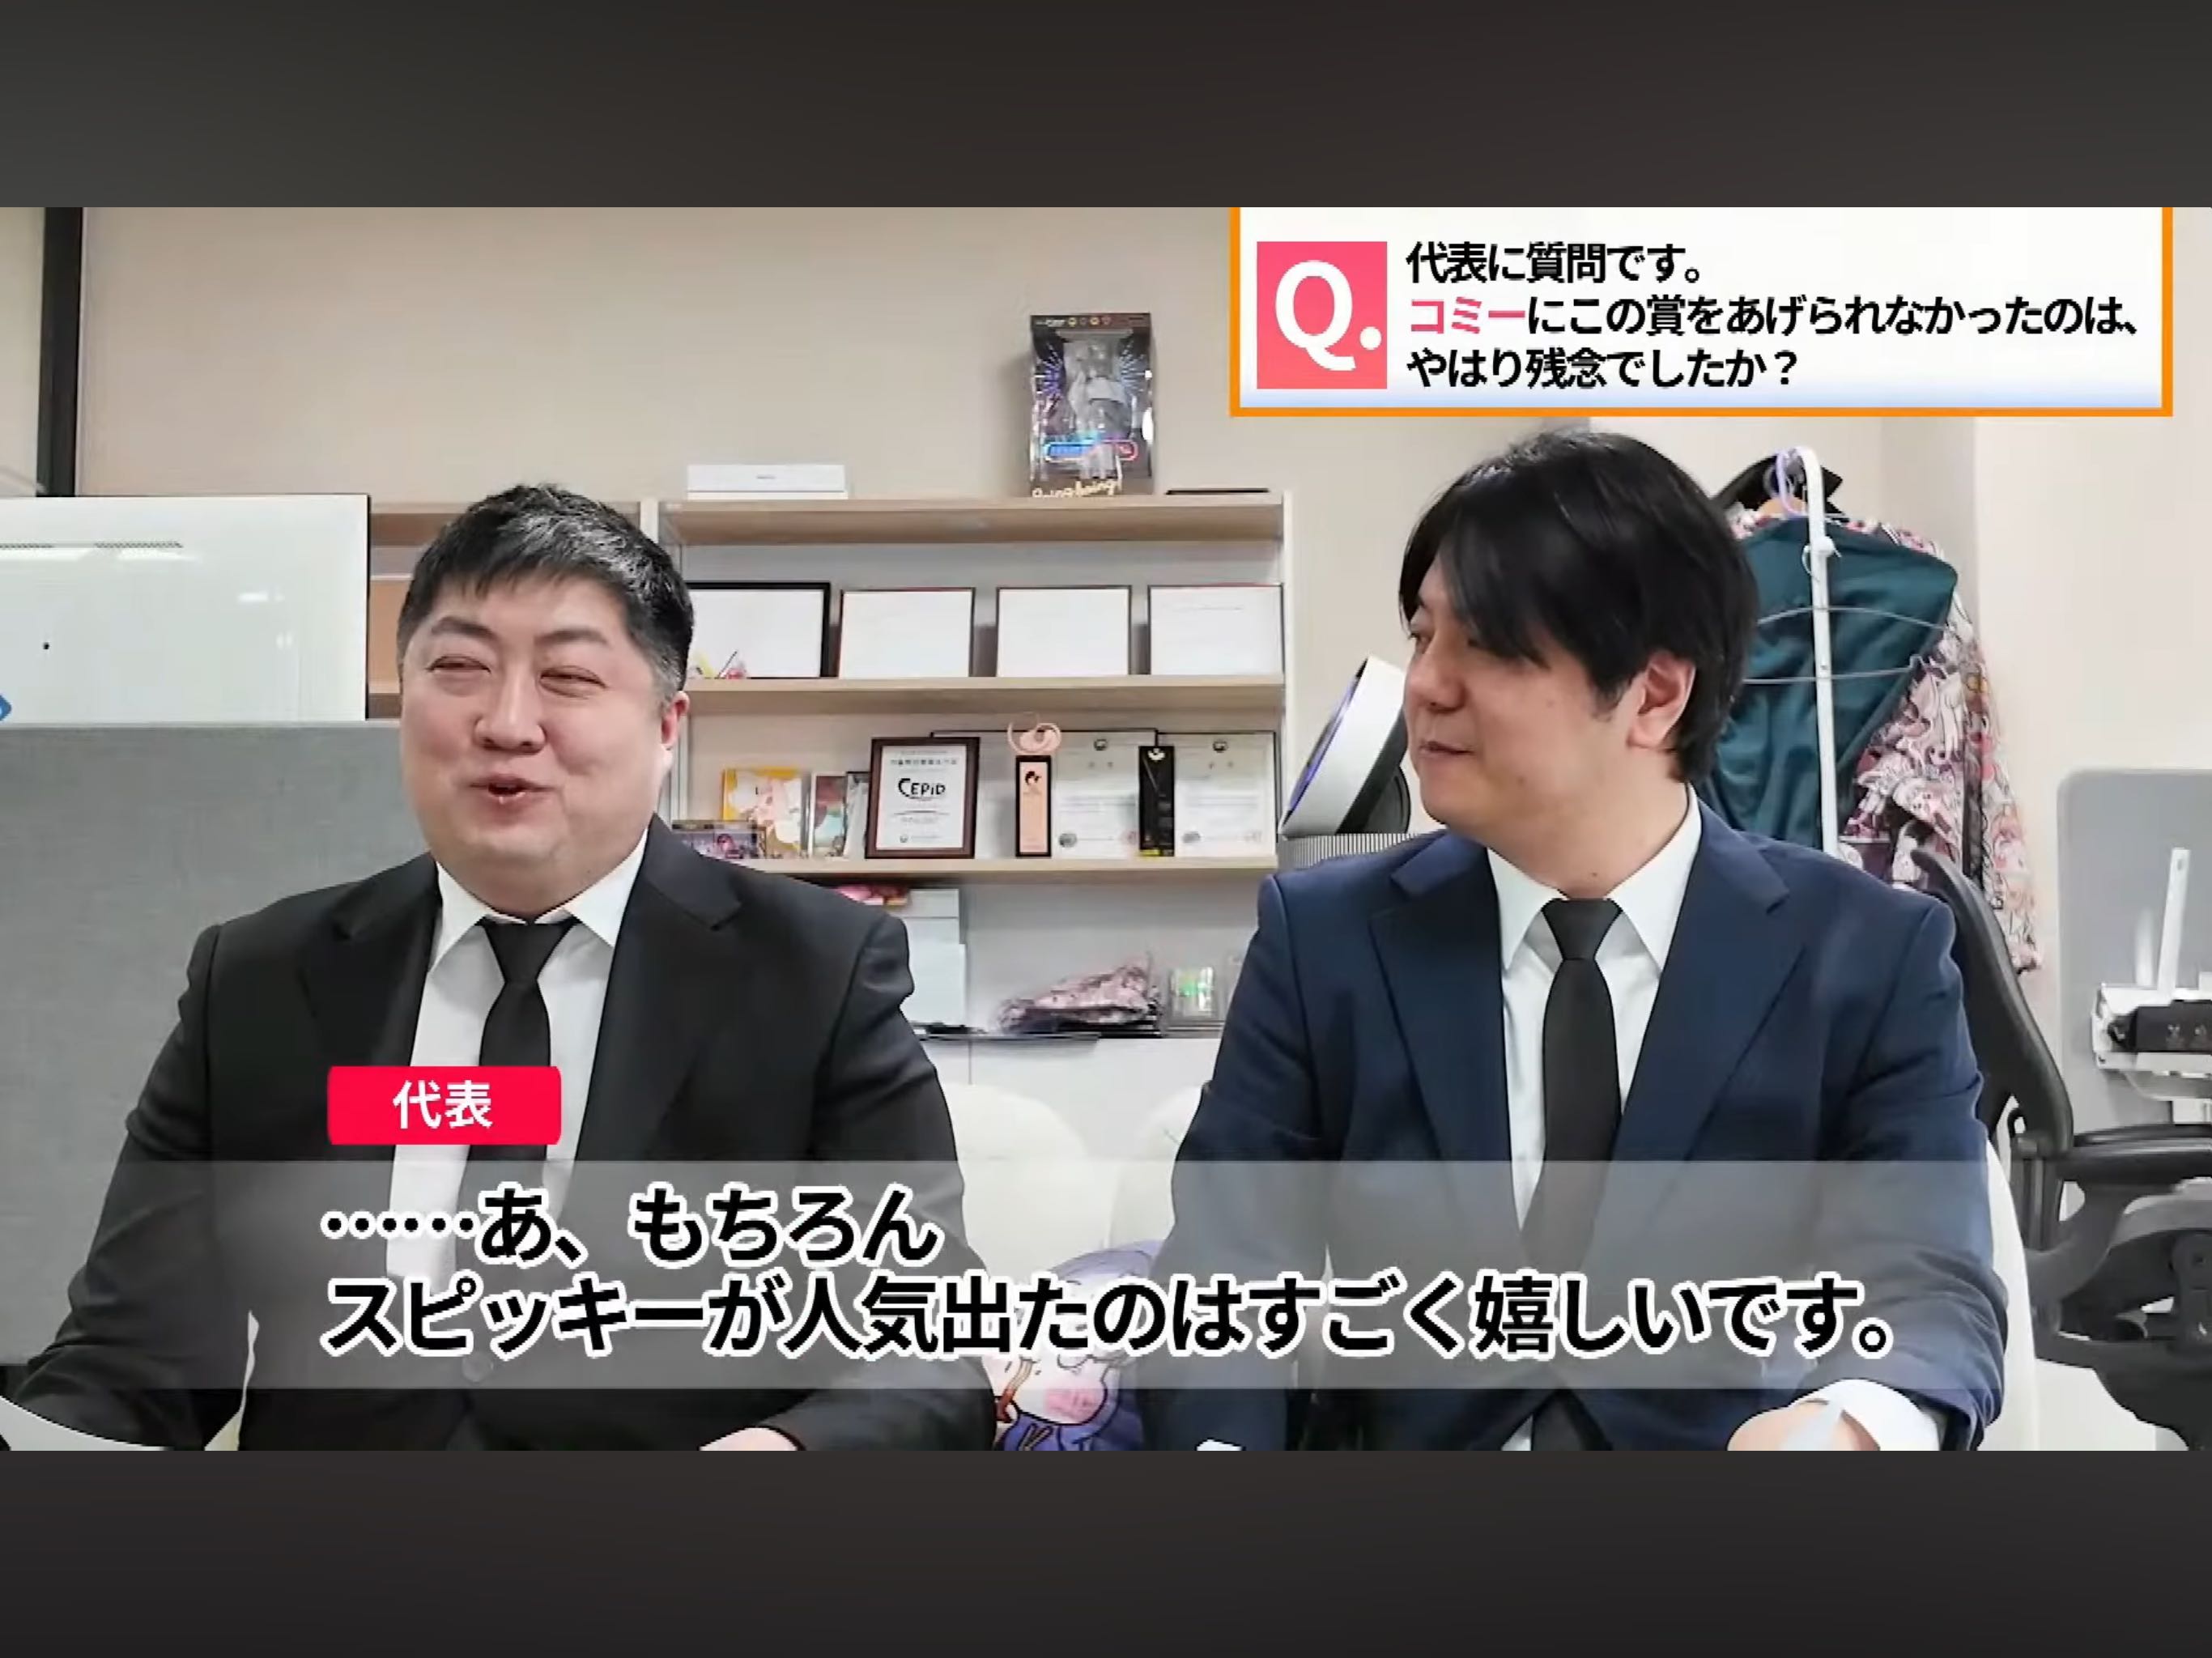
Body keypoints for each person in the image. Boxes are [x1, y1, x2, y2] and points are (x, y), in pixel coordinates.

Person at [10, 485, 995, 1451]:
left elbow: (924, 1353)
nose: (508, 723)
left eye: (567, 676)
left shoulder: (812, 974)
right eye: (458, 667)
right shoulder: (263, 977)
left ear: (666, 725)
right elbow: (137, 1357)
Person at [1139, 431, 2006, 1452]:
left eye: (1489, 646)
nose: (1425, 685)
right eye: (1423, 634)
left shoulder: (1867, 953)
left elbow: (1927, 1280)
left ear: (1653, 694)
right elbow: (1223, 1274)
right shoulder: (1324, 938)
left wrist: (1852, 1423)